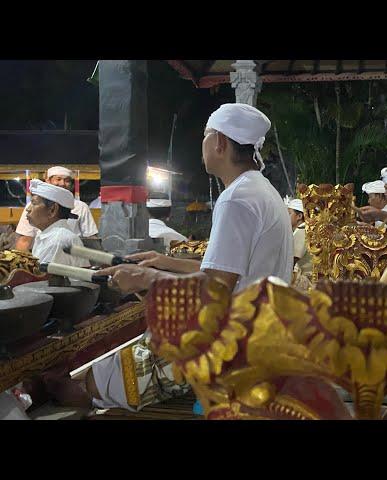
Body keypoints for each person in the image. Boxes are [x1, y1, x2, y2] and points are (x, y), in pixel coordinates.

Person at [40, 103, 294, 413]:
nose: (203, 144)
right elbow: (229, 271)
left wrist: (146, 279)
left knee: (95, 383)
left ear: (219, 143)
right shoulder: (262, 191)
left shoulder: (236, 198)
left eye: (205, 136)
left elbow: (216, 288)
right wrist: (163, 263)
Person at [15, 166, 98, 251]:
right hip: (41, 250)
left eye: (67, 181)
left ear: (53, 210)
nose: (62, 183)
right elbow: (24, 240)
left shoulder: (81, 207)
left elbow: (91, 238)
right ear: (48, 181)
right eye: (58, 179)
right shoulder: (34, 206)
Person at [25, 180, 90, 267]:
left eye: (34, 203)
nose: (28, 209)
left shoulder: (58, 240)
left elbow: (41, 277)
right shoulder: (48, 235)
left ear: (52, 210)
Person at [285, 196, 312, 282]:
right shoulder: (304, 229)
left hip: (306, 278)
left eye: (289, 214)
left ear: (299, 216)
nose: (285, 216)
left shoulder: (301, 231)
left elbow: (291, 260)